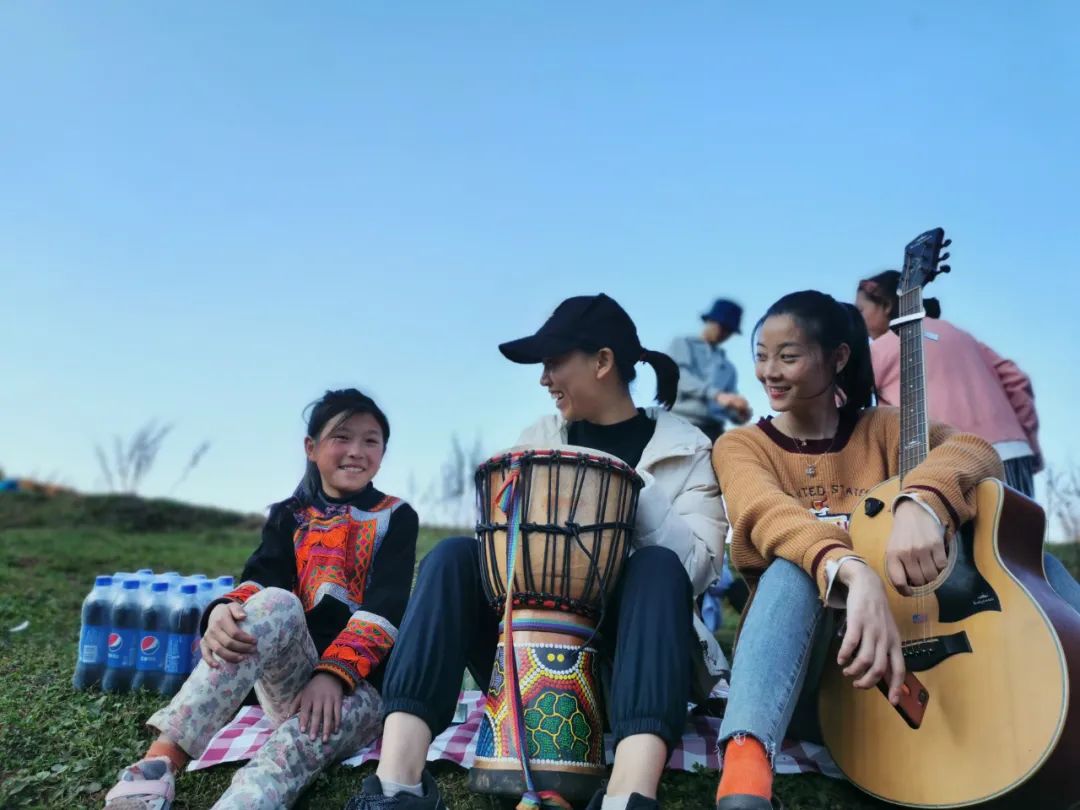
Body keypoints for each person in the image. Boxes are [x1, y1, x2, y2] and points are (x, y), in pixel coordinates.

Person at [346, 294, 728, 810]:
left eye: (553, 363)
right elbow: (500, 562)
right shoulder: (539, 440)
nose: (544, 379)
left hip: (636, 667)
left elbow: (699, 569)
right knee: (452, 557)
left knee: (657, 565)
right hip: (528, 660)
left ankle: (628, 794)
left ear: (602, 361)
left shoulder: (686, 448)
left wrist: (628, 489)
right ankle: (397, 785)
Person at [710, 291, 1012, 810]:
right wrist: (852, 570)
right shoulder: (741, 446)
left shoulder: (886, 429)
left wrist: (922, 501)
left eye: (788, 356)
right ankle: (745, 765)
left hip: (904, 663)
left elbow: (977, 452)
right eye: (761, 356)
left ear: (838, 358)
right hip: (801, 678)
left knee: (1027, 567)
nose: (769, 372)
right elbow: (764, 511)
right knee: (791, 567)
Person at [104, 389, 419, 810]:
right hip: (288, 681)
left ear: (382, 453)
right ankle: (161, 760)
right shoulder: (289, 514)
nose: (356, 451)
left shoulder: (396, 516)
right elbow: (261, 578)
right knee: (273, 600)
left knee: (289, 748)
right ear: (311, 448)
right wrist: (223, 611)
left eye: (371, 440)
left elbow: (386, 606)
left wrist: (334, 675)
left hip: (359, 690)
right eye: (341, 437)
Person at [856, 270, 1042, 497]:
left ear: (885, 306)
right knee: (1015, 522)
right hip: (1010, 451)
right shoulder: (961, 335)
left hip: (947, 461)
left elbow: (844, 399)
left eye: (861, 311)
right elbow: (1016, 379)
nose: (859, 321)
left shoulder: (882, 347)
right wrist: (1029, 442)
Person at [668, 298, 752, 442]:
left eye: (729, 330)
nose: (724, 333)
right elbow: (679, 378)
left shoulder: (729, 368)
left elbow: (728, 404)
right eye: (722, 326)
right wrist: (717, 395)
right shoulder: (682, 344)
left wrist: (738, 413)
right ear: (710, 320)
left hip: (713, 432)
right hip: (679, 425)